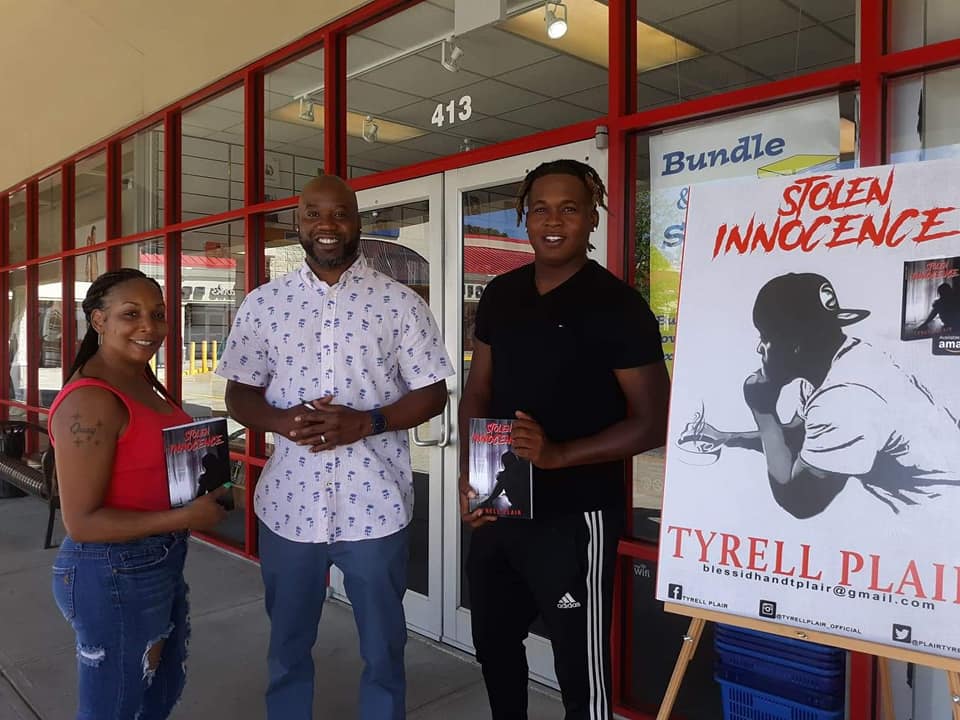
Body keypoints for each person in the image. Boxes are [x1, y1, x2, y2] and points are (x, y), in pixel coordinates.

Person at [216, 175, 452, 720]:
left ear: (358, 221)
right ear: (299, 222)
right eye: (314, 214)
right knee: (288, 646)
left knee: (383, 649)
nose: (327, 225)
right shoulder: (264, 304)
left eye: (339, 213)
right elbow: (237, 393)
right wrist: (281, 419)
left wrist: (366, 422)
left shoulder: (399, 303)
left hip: (376, 508)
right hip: (289, 508)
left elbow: (433, 393)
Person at [458, 159, 670, 720]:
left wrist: (559, 455)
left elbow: (654, 421)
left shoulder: (618, 307)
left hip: (576, 519)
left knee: (580, 669)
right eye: (540, 209)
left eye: (569, 208)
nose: (553, 221)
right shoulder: (502, 295)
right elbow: (478, 392)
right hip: (500, 508)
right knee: (496, 649)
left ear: (592, 218)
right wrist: (475, 482)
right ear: (525, 218)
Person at [49, 268, 229, 719]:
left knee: (156, 694)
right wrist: (185, 518)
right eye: (131, 314)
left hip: (156, 559)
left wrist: (219, 492)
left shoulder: (141, 377)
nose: (149, 327)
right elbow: (83, 523)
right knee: (114, 708)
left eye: (159, 314)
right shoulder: (90, 401)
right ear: (98, 321)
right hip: (111, 571)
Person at [681, 272, 960, 517]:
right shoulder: (834, 362)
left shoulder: (845, 397)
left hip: (937, 524)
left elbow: (798, 501)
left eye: (764, 338)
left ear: (794, 347)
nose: (759, 349)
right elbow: (797, 435)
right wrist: (727, 438)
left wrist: (763, 412)